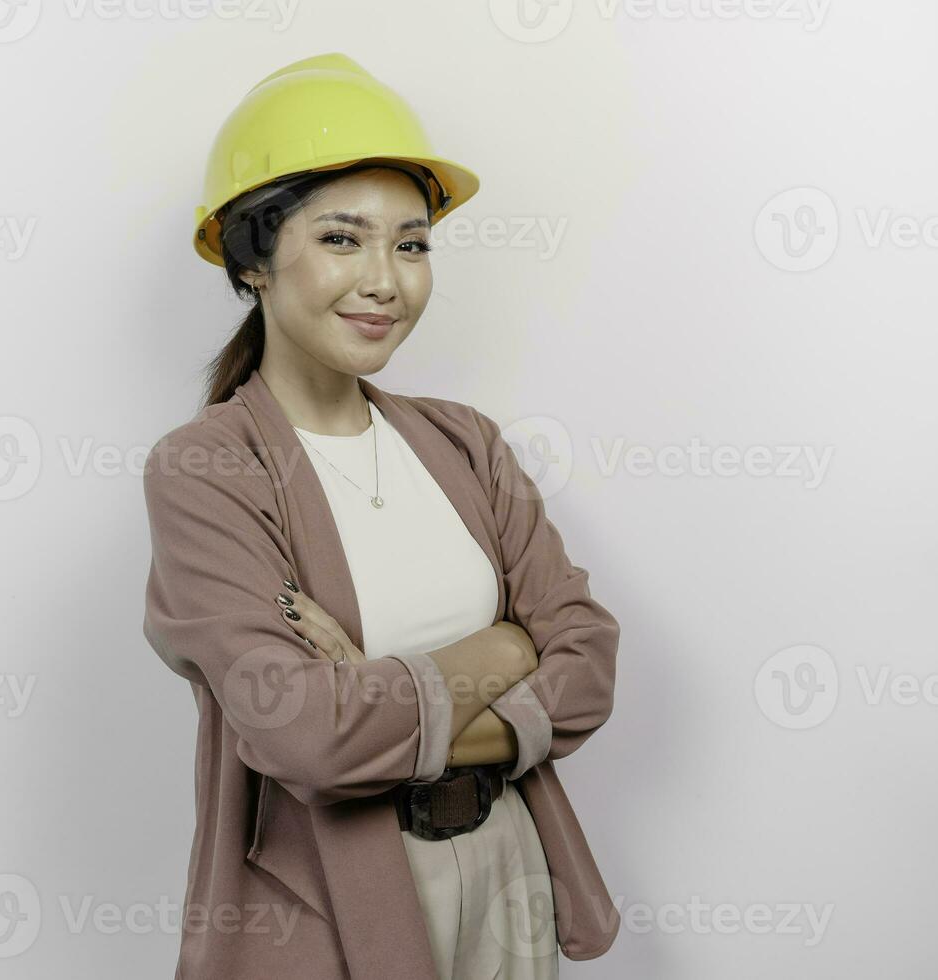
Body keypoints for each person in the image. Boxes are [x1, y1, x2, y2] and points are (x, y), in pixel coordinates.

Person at [142, 53, 622, 980]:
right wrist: (502, 654)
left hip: (508, 872)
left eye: (411, 244)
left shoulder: (467, 445)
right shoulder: (206, 469)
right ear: (251, 263)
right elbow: (306, 739)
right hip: (333, 899)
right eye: (341, 239)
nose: (386, 281)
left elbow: (589, 663)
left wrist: (379, 690)